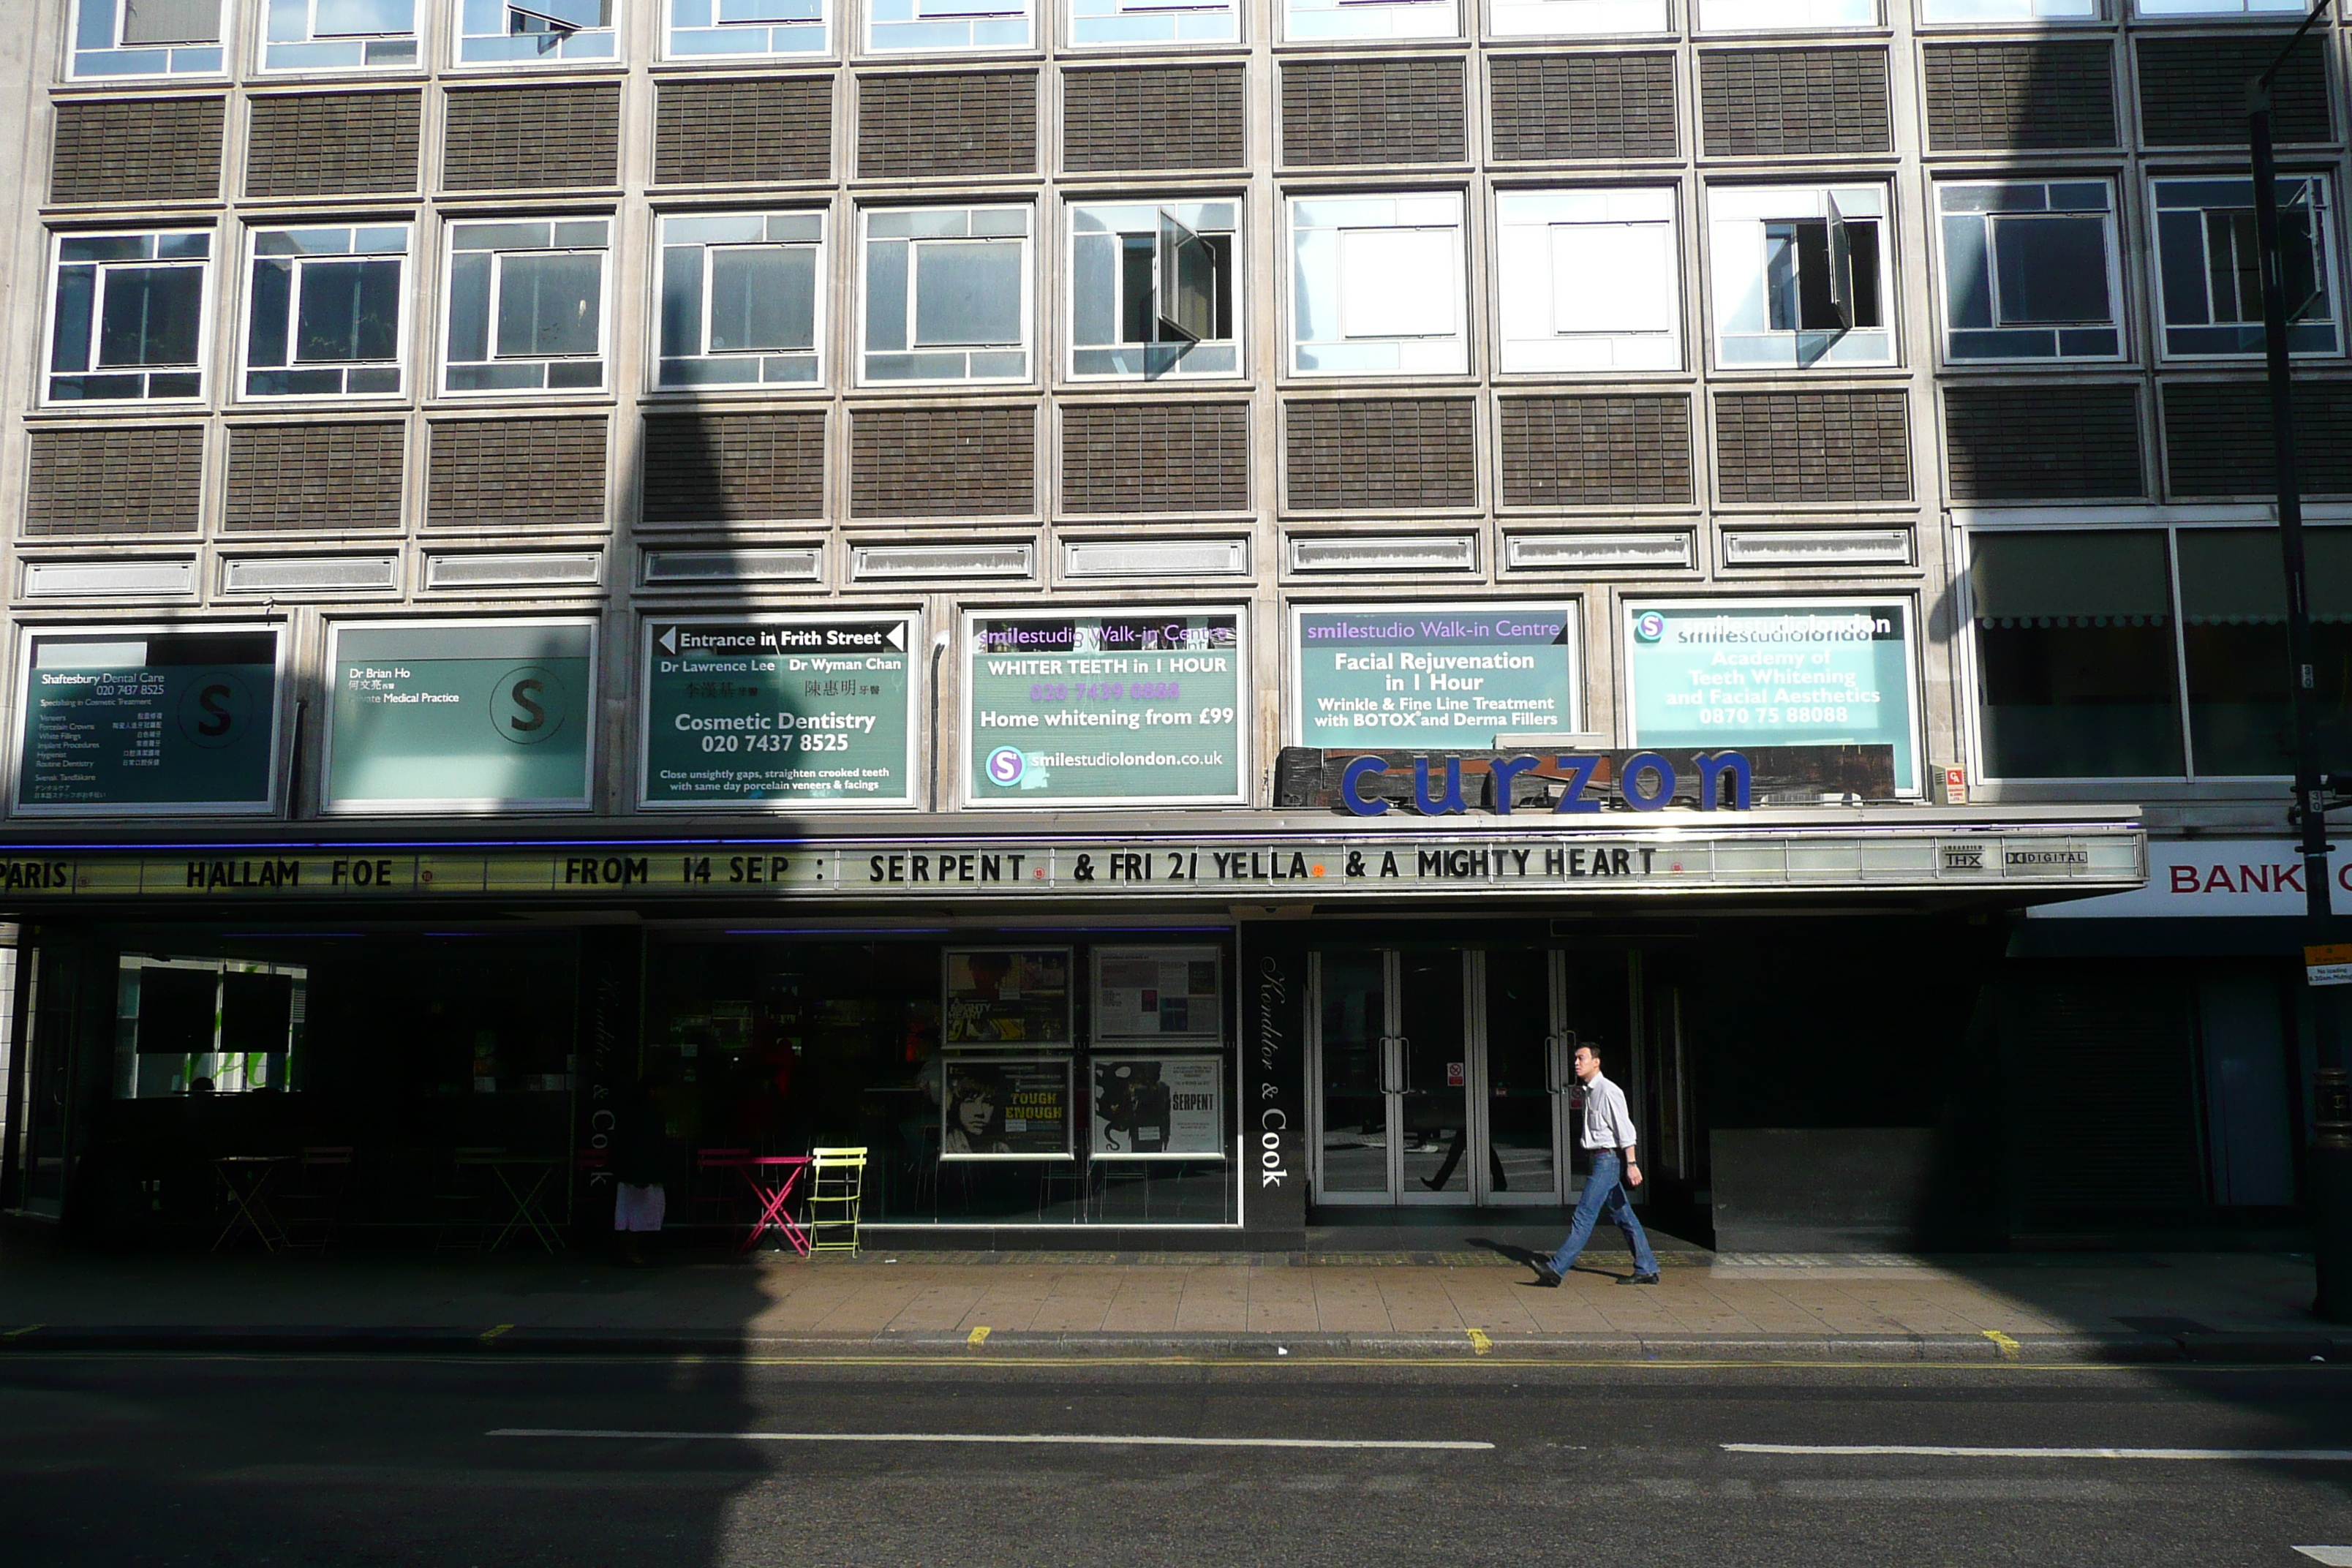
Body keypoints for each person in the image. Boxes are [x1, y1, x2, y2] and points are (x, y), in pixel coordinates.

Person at [1534, 1044, 1659, 1286]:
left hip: (1607, 1161)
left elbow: (1625, 1130)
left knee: (1584, 1214)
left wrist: (1632, 1164)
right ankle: (1647, 1268)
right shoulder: (1589, 1091)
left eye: (1582, 1058)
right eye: (1575, 1059)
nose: (1576, 1063)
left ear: (1596, 1061)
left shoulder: (1608, 1091)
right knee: (1625, 1217)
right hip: (1599, 1160)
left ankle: (1556, 1269)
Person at [611, 1076, 668, 1265]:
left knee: (631, 1213)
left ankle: (631, 1251)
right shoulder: (647, 1114)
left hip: (633, 1172)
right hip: (640, 1172)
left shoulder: (633, 1111)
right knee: (639, 1212)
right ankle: (634, 1251)